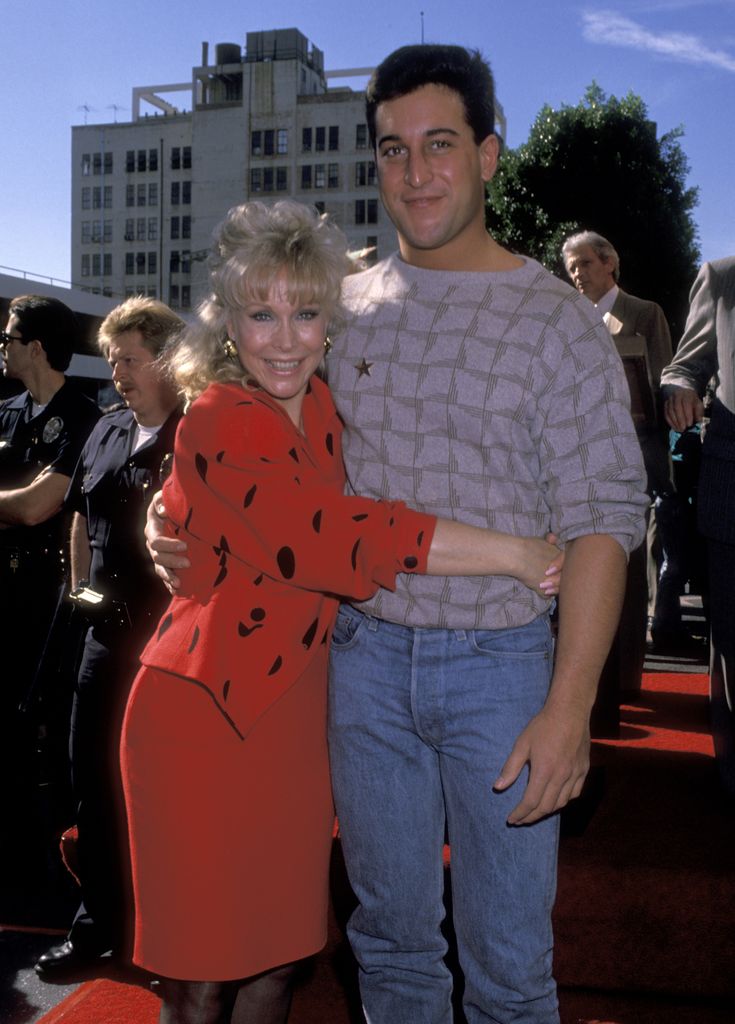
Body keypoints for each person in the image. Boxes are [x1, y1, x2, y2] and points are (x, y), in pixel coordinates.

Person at [147, 50, 648, 1023]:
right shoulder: (344, 308)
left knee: (508, 969)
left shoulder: (557, 322)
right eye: (394, 149)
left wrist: (570, 702)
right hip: (356, 665)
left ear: (490, 155)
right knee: (391, 951)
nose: (417, 172)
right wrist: (161, 517)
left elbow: (603, 518)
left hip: (499, 668)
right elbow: (235, 433)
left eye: (441, 145)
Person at [126, 198, 568, 1024]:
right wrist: (510, 550)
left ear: (331, 317)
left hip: (301, 719)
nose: (285, 337)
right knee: (201, 976)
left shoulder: (327, 407)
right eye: (261, 314)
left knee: (277, 960)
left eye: (305, 312)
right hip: (203, 714)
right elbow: (326, 534)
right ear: (227, 323)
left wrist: (166, 509)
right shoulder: (219, 414)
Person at [36, 298, 184, 977]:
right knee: (91, 780)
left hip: (171, 646)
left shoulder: (198, 437)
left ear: (167, 359)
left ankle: (169, 936)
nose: (118, 372)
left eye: (130, 358)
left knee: (160, 791)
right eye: (114, 359)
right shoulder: (105, 431)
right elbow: (77, 514)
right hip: (100, 638)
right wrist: (78, 585)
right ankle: (97, 925)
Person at [0, 295, 100, 875]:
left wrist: (17, 501)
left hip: (52, 598)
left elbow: (41, 506)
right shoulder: (6, 413)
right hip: (5, 592)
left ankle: (52, 857)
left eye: (9, 339)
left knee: (48, 722)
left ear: (35, 347)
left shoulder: (85, 417)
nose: (2, 348)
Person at [562, 230, 682, 670]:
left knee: (629, 563)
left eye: (585, 264)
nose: (577, 274)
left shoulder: (644, 313)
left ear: (610, 264)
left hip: (635, 456)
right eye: (571, 267)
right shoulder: (568, 319)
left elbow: (664, 381)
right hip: (578, 459)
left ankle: (630, 662)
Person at [661, 256, 735, 797]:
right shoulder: (724, 276)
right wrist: (680, 388)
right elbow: (684, 364)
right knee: (733, 646)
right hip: (732, 493)